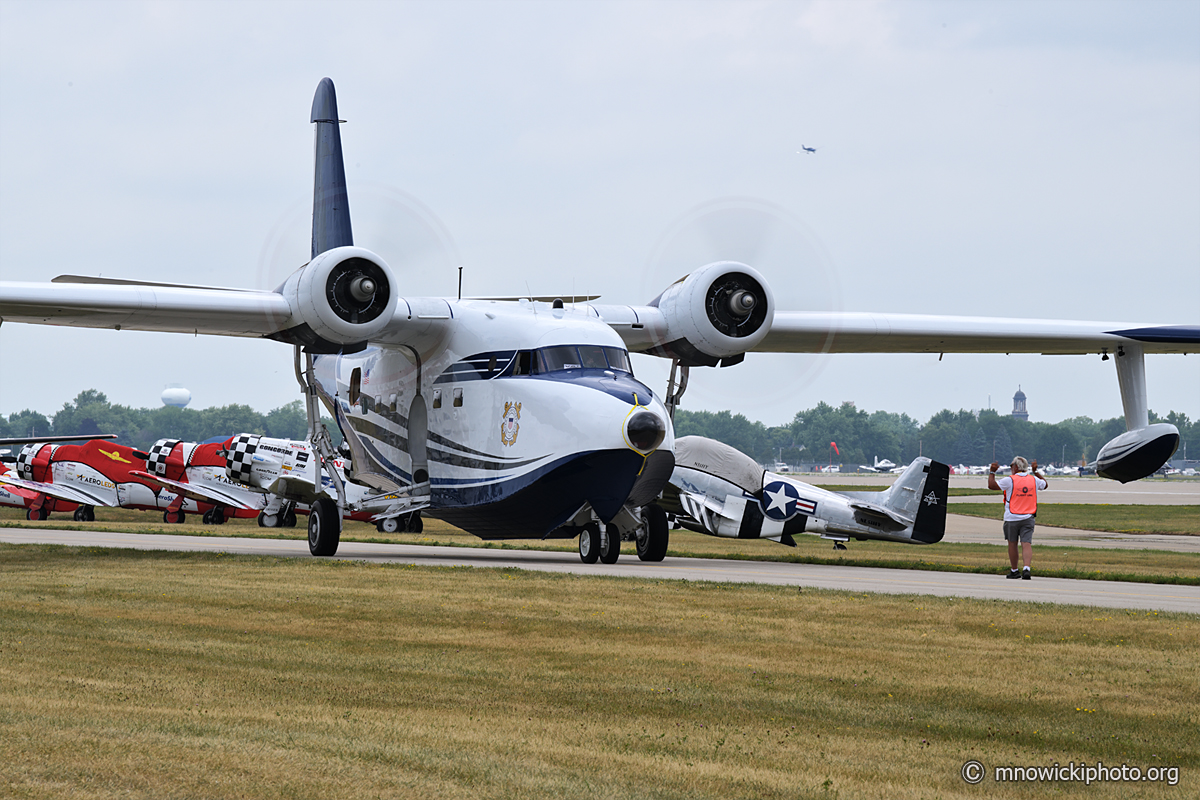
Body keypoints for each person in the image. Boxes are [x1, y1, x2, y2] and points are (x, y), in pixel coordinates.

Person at [988, 456, 1048, 580]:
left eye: (1011, 466)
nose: (1010, 468)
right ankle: (1027, 568)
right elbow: (1045, 485)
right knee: (1026, 543)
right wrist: (1036, 471)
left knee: (1012, 543)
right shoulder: (1033, 480)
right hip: (1028, 516)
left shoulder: (1010, 480)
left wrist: (992, 472)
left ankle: (1014, 570)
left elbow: (992, 485)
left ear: (1016, 467)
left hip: (1012, 517)